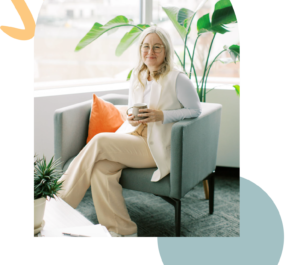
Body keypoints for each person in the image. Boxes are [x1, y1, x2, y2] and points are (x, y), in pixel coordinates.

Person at [57, 26, 201, 238]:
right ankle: (121, 231)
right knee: (101, 169)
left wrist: (162, 116)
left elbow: (195, 110)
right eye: (146, 46)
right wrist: (131, 117)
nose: (150, 52)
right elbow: (133, 109)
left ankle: (59, 202)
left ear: (166, 51)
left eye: (157, 47)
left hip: (156, 145)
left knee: (99, 141)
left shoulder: (178, 79)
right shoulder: (139, 75)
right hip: (134, 136)